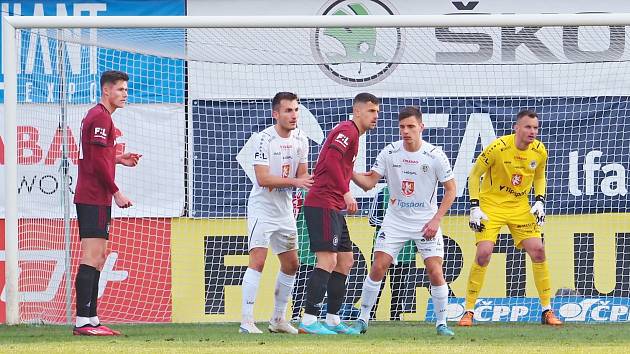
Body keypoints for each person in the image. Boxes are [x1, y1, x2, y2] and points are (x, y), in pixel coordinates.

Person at [351, 106, 457, 336]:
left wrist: (436, 220)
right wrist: (348, 170)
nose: (406, 131)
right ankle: (362, 319)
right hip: (395, 221)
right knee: (379, 266)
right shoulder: (390, 152)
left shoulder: (435, 155)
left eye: (411, 126)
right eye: (402, 127)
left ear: (421, 127)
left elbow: (451, 190)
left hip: (425, 222)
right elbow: (369, 183)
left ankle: (442, 323)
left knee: (435, 271)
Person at [458, 110, 562, 326]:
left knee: (538, 250)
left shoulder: (540, 151)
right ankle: (468, 311)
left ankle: (547, 310)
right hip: (490, 206)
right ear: (516, 128)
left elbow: (540, 176)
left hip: (519, 207)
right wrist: (474, 206)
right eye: (527, 127)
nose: (532, 131)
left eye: (535, 127)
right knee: (483, 253)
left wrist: (540, 200)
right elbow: (475, 174)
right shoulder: (498, 147)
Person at [298, 92, 379, 335]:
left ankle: (333, 319)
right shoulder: (348, 130)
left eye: (377, 111)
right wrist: (346, 192)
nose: (376, 116)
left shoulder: (353, 134)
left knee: (345, 261)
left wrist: (358, 179)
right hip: (323, 202)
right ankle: (309, 320)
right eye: (371, 111)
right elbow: (332, 160)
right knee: (328, 260)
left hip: (332, 205)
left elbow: (340, 163)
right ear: (357, 111)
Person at [73, 70, 141, 336]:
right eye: (121, 89)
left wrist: (118, 159)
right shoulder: (100, 117)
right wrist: (116, 192)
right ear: (106, 91)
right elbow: (96, 165)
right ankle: (82, 321)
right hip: (93, 196)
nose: (125, 94)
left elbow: (95, 157)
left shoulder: (100, 117)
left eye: (126, 89)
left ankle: (91, 319)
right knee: (92, 256)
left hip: (95, 196)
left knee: (99, 257)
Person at [239, 92, 313, 334]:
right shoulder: (264, 139)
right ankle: (246, 321)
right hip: (263, 208)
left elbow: (303, 176)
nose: (293, 115)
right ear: (276, 114)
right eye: (288, 111)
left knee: (292, 264)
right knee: (258, 261)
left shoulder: (302, 139)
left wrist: (297, 181)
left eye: (295, 110)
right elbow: (262, 178)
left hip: (285, 210)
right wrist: (293, 181)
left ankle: (278, 319)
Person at [366, 185, 418, 321]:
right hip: (383, 247)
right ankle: (370, 315)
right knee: (377, 283)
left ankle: (395, 316)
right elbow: (372, 220)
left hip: (405, 249)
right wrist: (394, 225)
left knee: (399, 287)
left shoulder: (415, 193)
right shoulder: (383, 193)